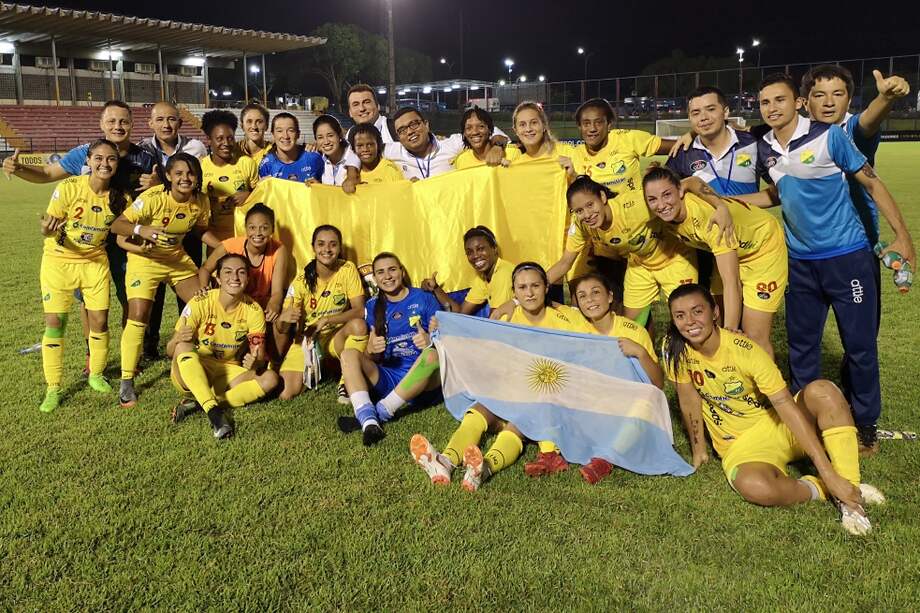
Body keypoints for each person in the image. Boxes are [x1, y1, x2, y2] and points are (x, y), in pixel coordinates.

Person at [702, 73, 916, 454]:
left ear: (797, 103)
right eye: (765, 102)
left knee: (860, 346)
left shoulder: (829, 136)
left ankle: (865, 424)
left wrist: (903, 236)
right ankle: (806, 418)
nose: (772, 108)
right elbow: (777, 192)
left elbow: (871, 182)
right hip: (799, 262)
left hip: (847, 258)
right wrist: (723, 203)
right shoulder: (765, 144)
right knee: (802, 347)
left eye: (780, 100)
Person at [663, 283, 884, 535]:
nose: (689, 321)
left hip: (777, 425)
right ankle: (822, 488)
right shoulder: (674, 349)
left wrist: (827, 468)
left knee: (824, 391)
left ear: (714, 312)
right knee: (755, 487)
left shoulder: (745, 350)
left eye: (697, 311)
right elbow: (689, 399)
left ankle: (849, 494)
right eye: (680, 315)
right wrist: (699, 449)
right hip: (739, 447)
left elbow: (784, 405)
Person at [410, 262, 591, 490]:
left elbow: (591, 343)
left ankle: (484, 467)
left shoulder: (566, 318)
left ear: (546, 287)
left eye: (535, 285)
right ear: (514, 292)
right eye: (522, 287)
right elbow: (475, 341)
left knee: (515, 425)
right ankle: (444, 461)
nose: (529, 292)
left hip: (544, 397)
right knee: (477, 411)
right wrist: (442, 328)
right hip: (509, 390)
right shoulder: (504, 318)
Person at [5, 100, 162, 359]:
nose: (117, 126)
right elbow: (46, 172)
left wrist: (156, 182)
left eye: (123, 121)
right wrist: (20, 168)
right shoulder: (85, 153)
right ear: (101, 124)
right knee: (88, 302)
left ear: (132, 124)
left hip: (125, 239)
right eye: (111, 121)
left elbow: (160, 195)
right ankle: (92, 356)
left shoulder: (144, 159)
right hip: (88, 244)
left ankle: (128, 354)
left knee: (130, 298)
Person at [110, 152, 221, 407]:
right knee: (139, 314)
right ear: (169, 176)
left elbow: (200, 230)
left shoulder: (201, 201)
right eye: (179, 173)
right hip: (145, 261)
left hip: (175, 260)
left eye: (190, 173)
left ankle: (201, 361)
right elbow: (118, 225)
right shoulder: (153, 197)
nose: (185, 178)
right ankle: (127, 381)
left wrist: (227, 247)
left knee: (205, 302)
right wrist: (142, 230)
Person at [644, 165, 787, 357]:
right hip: (730, 252)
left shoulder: (708, 221)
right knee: (714, 325)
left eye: (666, 195)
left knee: (753, 336)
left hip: (763, 250)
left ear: (679, 191)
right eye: (652, 199)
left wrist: (730, 330)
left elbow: (731, 282)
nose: (661, 205)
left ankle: (768, 387)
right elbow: (693, 181)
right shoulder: (670, 194)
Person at [533, 175, 704, 330]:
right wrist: (532, 290)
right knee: (630, 327)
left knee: (688, 318)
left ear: (602, 197)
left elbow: (689, 183)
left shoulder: (633, 205)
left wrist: (720, 206)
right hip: (640, 264)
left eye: (590, 205)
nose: (587, 214)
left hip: (674, 258)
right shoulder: (580, 225)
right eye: (579, 211)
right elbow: (564, 263)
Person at [36, 140, 126, 412]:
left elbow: (126, 227)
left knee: (99, 321)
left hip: (94, 263)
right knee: (55, 323)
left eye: (111, 159)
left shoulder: (120, 198)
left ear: (117, 163)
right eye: (98, 158)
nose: (104, 164)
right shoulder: (69, 187)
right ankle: (53, 388)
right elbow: (49, 226)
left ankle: (96, 375)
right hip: (58, 262)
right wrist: (47, 230)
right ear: (89, 160)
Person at [167, 253, 279, 439]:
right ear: (217, 277)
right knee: (183, 347)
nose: (234, 278)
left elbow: (257, 358)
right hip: (194, 370)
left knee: (271, 379)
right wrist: (177, 338)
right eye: (227, 272)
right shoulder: (200, 301)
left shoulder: (254, 310)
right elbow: (170, 351)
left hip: (227, 371)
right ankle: (215, 414)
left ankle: (200, 403)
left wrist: (255, 362)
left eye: (241, 272)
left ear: (248, 278)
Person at [568, 272, 663, 483]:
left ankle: (605, 460)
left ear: (610, 296)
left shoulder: (634, 331)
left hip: (628, 404)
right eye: (582, 296)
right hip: (594, 402)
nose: (590, 300)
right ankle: (549, 453)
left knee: (646, 403)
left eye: (595, 293)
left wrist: (641, 353)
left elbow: (658, 384)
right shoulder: (576, 329)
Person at [339, 252, 442, 446]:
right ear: (375, 279)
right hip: (389, 379)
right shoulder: (373, 306)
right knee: (348, 355)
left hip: (423, 381)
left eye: (392, 269)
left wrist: (430, 340)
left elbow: (447, 342)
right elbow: (373, 358)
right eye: (381, 272)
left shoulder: (424, 298)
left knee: (432, 355)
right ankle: (370, 423)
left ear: (402, 272)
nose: (387, 276)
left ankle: (377, 414)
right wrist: (370, 350)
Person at [275, 225, 368, 401]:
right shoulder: (301, 281)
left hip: (337, 335)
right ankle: (314, 366)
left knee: (359, 325)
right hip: (308, 339)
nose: (327, 249)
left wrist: (327, 320)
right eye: (321, 244)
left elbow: (360, 310)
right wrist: (283, 319)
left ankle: (346, 382)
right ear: (313, 247)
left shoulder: (348, 269)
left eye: (333, 244)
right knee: (286, 394)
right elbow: (281, 328)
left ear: (340, 248)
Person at [197, 203, 288, 323]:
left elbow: (277, 292)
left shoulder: (278, 250)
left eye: (264, 228)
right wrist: (204, 288)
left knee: (282, 321)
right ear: (245, 228)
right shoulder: (229, 246)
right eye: (252, 228)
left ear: (272, 230)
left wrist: (275, 305)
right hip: (233, 301)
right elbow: (205, 269)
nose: (258, 233)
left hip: (259, 304)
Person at [570, 97, 682, 192]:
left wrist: (689, 137)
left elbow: (678, 147)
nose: (592, 129)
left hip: (634, 214)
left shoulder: (627, 139)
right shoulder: (573, 154)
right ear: (579, 127)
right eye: (586, 124)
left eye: (598, 123)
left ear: (609, 124)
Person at [666, 87, 760, 196]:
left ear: (725, 112)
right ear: (689, 118)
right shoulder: (682, 154)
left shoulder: (752, 143)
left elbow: (776, 191)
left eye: (711, 109)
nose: (703, 117)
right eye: (696, 113)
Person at [384, 107, 508, 180]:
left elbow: (485, 132)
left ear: (426, 125)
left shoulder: (451, 145)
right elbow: (367, 146)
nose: (410, 131)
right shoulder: (393, 151)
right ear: (398, 137)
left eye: (414, 124)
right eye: (402, 130)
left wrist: (497, 146)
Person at [422, 225, 514, 316]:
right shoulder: (483, 278)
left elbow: (496, 322)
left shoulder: (503, 274)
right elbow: (461, 312)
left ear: (494, 249)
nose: (475, 256)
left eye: (480, 249)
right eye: (469, 252)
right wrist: (436, 288)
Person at [198, 109, 259, 241]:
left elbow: (262, 196)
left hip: (243, 235)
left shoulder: (247, 163)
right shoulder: (200, 167)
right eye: (219, 138)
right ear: (209, 140)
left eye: (230, 138)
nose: (226, 143)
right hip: (214, 238)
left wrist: (250, 195)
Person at [509, 101, 576, 181]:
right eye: (522, 125)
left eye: (534, 123)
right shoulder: (511, 156)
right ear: (515, 130)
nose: (528, 129)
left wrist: (573, 176)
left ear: (544, 125)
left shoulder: (566, 152)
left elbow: (587, 189)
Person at [258, 113, 324, 184]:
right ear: (273, 134)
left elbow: (328, 190)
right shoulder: (266, 164)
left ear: (298, 134)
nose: (285, 136)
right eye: (279, 131)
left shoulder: (314, 158)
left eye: (291, 130)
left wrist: (319, 186)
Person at [139, 100, 207, 166]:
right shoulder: (141, 149)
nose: (166, 125)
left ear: (180, 123)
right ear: (151, 123)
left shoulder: (196, 148)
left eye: (171, 119)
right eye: (160, 119)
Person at [453, 107, 520, 170]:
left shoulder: (512, 153)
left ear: (490, 130)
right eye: (469, 128)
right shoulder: (461, 161)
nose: (475, 132)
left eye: (481, 126)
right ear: (464, 133)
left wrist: (512, 169)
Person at [313, 114, 362, 186]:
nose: (326, 142)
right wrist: (319, 186)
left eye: (330, 135)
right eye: (320, 137)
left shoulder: (355, 155)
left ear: (340, 135)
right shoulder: (319, 159)